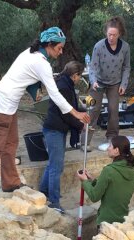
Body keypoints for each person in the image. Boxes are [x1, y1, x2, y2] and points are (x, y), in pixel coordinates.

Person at [0, 27, 90, 203]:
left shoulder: (31, 54)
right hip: (3, 104)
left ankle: (10, 182)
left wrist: (34, 91)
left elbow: (25, 77)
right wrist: (76, 113)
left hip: (8, 104)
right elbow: (55, 94)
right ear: (49, 45)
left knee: (11, 144)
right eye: (59, 48)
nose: (61, 52)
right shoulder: (40, 62)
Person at [39, 61, 85, 213]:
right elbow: (66, 113)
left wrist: (82, 113)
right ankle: (54, 201)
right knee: (56, 167)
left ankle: (43, 192)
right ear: (74, 75)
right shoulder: (64, 87)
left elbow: (72, 107)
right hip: (54, 130)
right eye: (79, 76)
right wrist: (80, 125)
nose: (79, 79)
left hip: (55, 129)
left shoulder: (65, 84)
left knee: (52, 164)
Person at [81, 16, 131, 151]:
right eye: (109, 34)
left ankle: (112, 138)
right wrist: (93, 81)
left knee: (114, 110)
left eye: (114, 35)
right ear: (106, 33)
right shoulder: (98, 46)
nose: (111, 37)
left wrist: (123, 84)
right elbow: (93, 67)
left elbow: (126, 67)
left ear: (119, 34)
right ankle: (84, 141)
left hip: (115, 83)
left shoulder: (125, 47)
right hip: (98, 83)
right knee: (93, 109)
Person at [77, 135, 134, 228]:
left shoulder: (109, 170)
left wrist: (84, 181)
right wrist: (92, 180)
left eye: (110, 146)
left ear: (116, 150)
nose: (107, 149)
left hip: (106, 223)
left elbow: (94, 196)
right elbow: (112, 188)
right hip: (122, 221)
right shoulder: (131, 170)